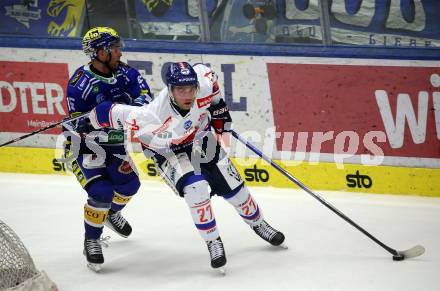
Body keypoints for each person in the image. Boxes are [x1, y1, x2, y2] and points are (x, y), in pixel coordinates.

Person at [88, 62, 285, 272]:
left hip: (201, 139)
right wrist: (88, 122)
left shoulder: (203, 82)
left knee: (236, 189)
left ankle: (259, 224)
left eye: (191, 88)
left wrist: (218, 109)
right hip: (168, 152)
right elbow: (105, 112)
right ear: (170, 89)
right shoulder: (149, 115)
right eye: (181, 90)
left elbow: (208, 75)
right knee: (196, 189)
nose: (188, 94)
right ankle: (213, 241)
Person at [64, 26, 152, 271]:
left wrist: (125, 110)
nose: (119, 52)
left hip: (114, 145)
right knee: (101, 192)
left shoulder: (126, 73)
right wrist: (87, 120)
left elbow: (146, 97)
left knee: (130, 184)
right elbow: (76, 124)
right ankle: (91, 239)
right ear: (100, 53)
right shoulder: (80, 84)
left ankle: (111, 214)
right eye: (114, 48)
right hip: (85, 147)